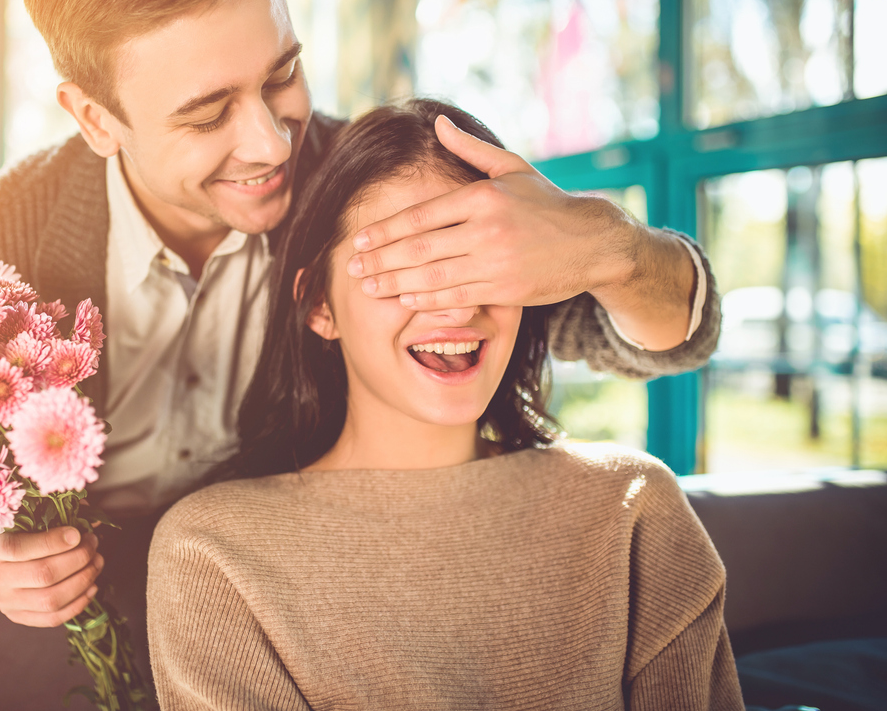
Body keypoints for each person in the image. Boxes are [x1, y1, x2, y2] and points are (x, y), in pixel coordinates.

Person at [0, 0, 722, 710]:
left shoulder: (361, 193)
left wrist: (609, 247)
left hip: (237, 611)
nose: (269, 142)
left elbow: (658, 334)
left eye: (280, 76)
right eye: (208, 113)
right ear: (95, 117)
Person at [146, 98, 742, 710]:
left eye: (477, 265)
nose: (457, 309)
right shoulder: (214, 552)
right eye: (410, 267)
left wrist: (604, 239)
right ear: (319, 306)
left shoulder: (633, 509)